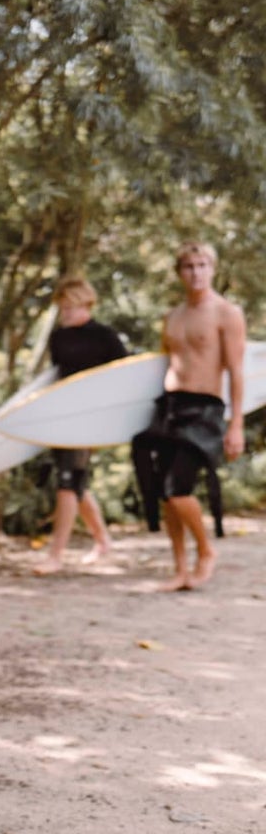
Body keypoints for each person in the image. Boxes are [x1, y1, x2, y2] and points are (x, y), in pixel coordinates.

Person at [131, 241, 246, 591]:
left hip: (205, 408)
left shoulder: (227, 313)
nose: (196, 273)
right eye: (188, 266)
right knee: (166, 496)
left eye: (202, 265)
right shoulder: (174, 315)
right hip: (170, 406)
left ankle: (206, 551)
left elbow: (236, 371)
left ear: (212, 268)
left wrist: (236, 424)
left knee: (177, 489)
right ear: (179, 272)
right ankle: (180, 569)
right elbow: (164, 364)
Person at [34, 275, 126, 574]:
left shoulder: (105, 336)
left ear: (86, 303)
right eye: (62, 308)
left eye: (71, 307)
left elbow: (124, 378)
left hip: (92, 418)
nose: (66, 313)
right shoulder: (59, 337)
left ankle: (55, 555)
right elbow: (57, 378)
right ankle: (103, 541)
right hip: (64, 417)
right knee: (77, 483)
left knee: (66, 482)